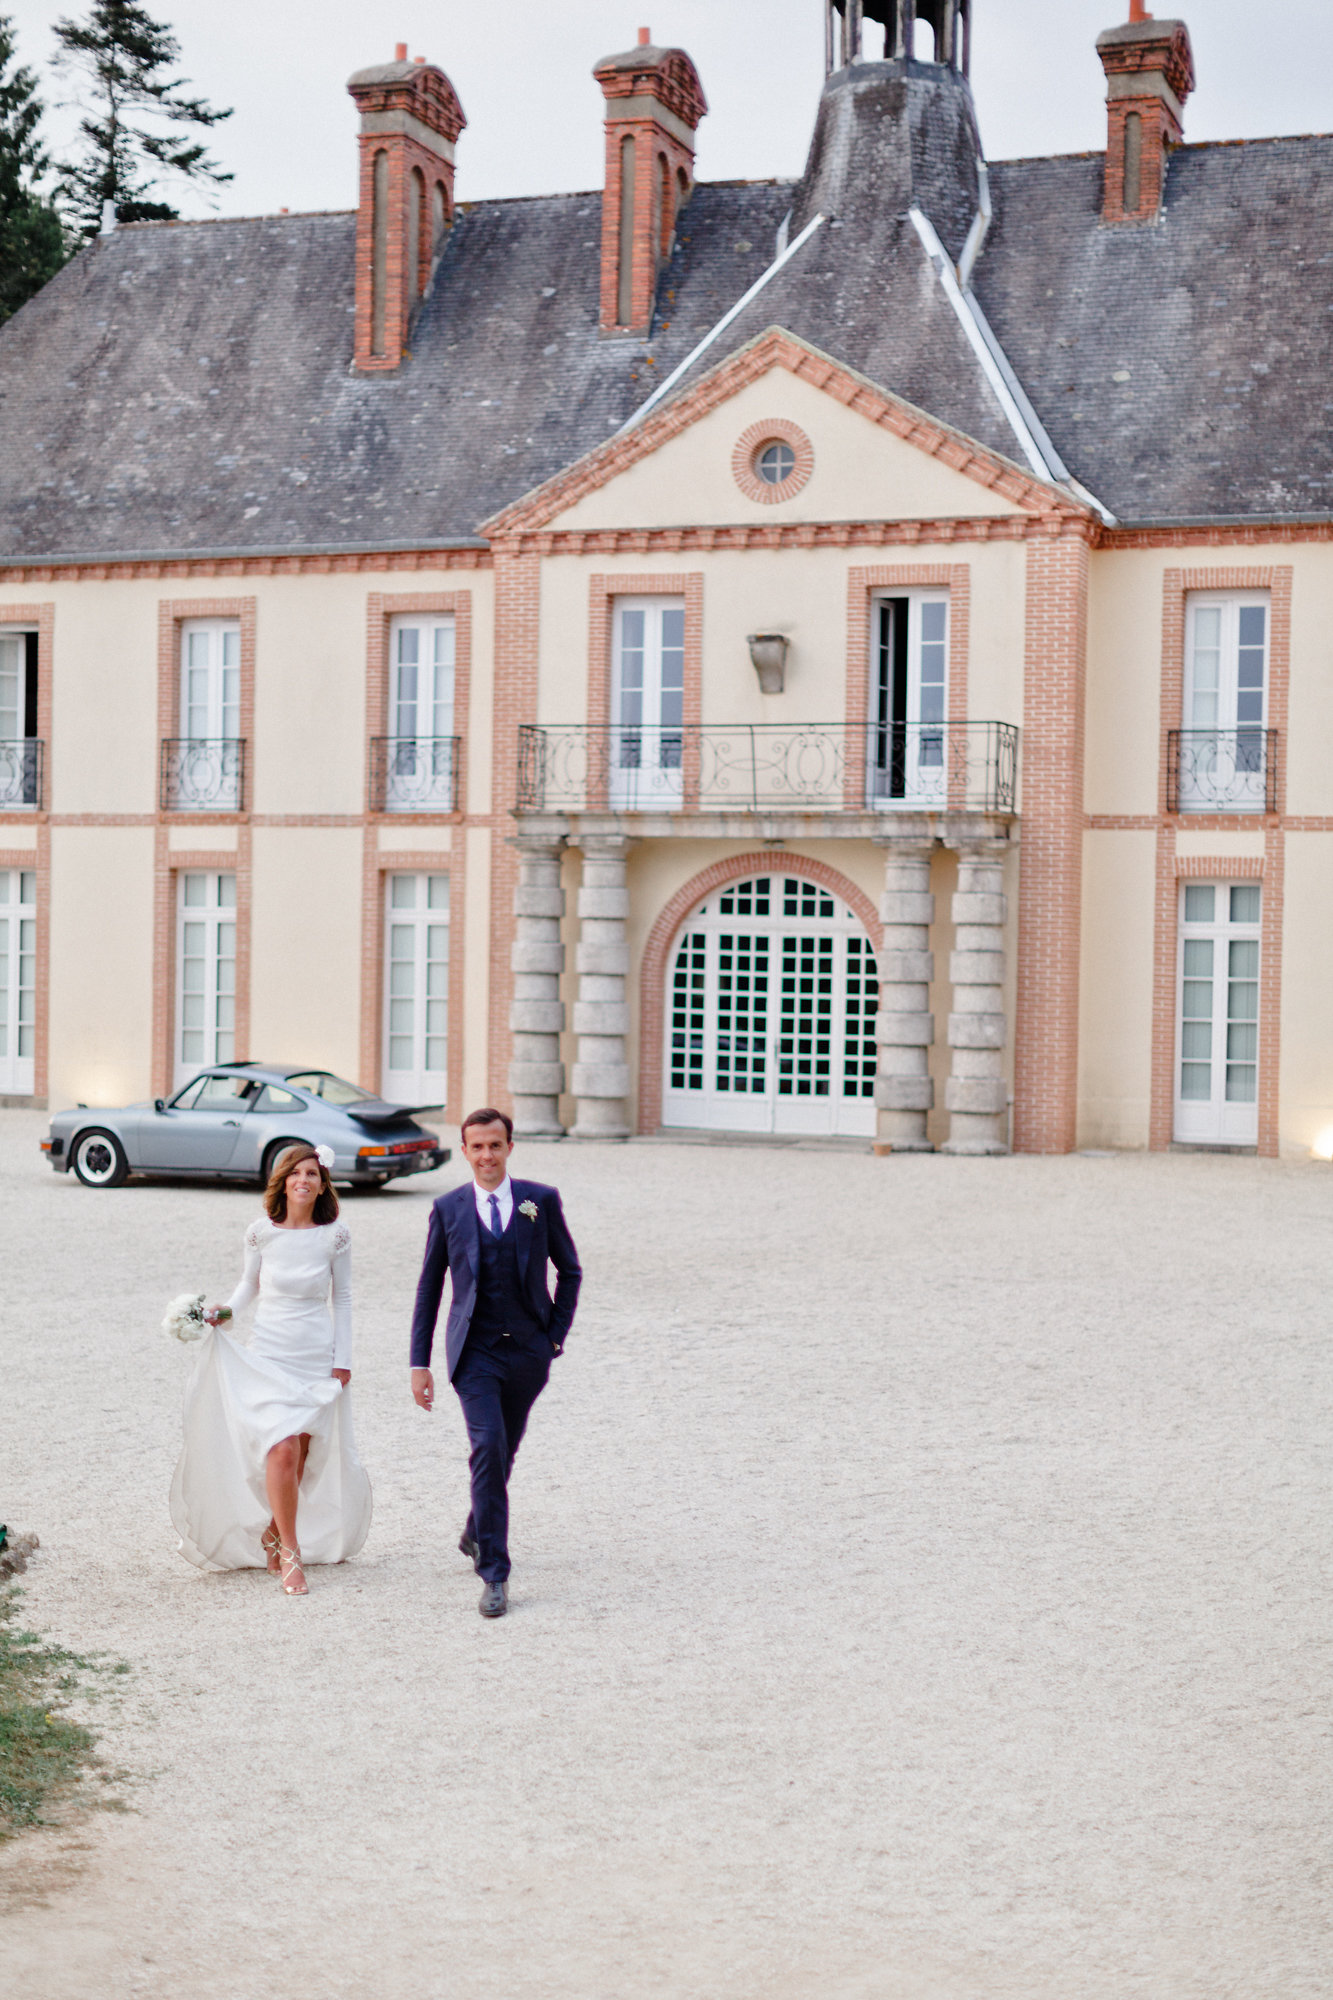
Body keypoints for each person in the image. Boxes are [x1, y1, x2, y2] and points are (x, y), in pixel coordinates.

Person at [170, 1142, 372, 1595]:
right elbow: (249, 1284)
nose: (304, 1180)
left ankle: (274, 1532)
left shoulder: (335, 1236)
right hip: (269, 1352)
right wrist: (226, 1312)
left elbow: (342, 1298)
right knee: (280, 1449)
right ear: (283, 1181)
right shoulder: (260, 1232)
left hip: (315, 1355)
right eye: (296, 1173)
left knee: (300, 1455)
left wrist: (344, 1360)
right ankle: (291, 1553)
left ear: (322, 1186)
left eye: (313, 1174)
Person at [410, 1107, 581, 1618]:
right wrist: (419, 1362)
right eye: (477, 1147)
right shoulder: (448, 1209)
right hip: (475, 1352)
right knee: (487, 1446)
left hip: (529, 1352)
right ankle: (495, 1572)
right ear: (464, 1152)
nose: (486, 1155)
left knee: (502, 1454)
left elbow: (570, 1272)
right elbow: (429, 1288)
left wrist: (553, 1337)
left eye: (495, 1145)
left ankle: (474, 1530)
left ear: (510, 1147)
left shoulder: (540, 1201)